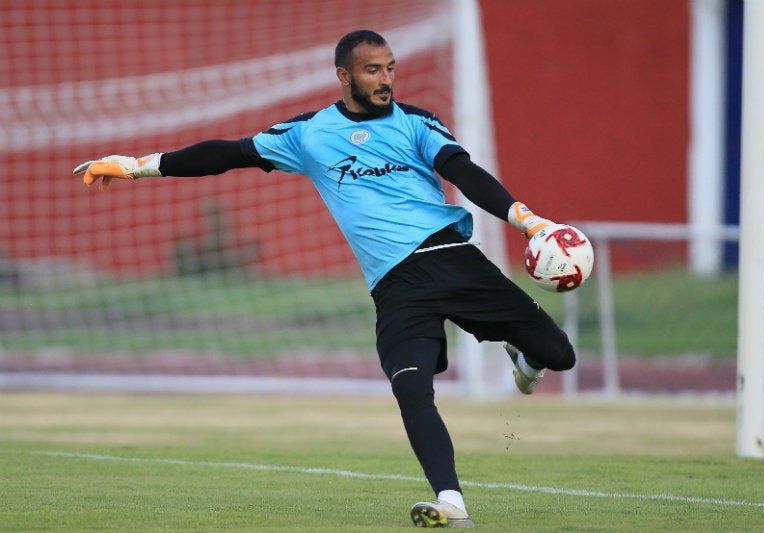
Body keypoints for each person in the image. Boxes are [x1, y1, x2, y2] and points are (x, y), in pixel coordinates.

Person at [73, 29, 576, 529]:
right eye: (372, 70)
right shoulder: (309, 134)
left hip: (452, 259)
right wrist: (138, 167)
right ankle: (452, 505)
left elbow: (464, 172)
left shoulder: (417, 123)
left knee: (561, 355)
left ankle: (526, 354)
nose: (386, 80)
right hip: (396, 288)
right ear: (344, 76)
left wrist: (528, 221)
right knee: (410, 388)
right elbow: (226, 154)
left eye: (390, 68)